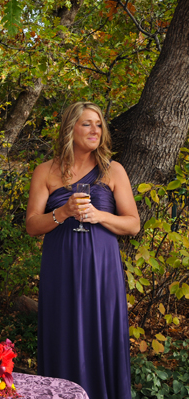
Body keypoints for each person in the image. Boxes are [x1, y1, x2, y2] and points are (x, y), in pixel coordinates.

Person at [26, 102, 140, 399]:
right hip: (60, 267)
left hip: (102, 269)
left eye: (99, 124)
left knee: (102, 334)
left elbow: (133, 224)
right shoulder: (45, 171)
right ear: (70, 129)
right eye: (87, 124)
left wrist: (100, 216)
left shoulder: (113, 170)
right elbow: (32, 225)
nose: (95, 130)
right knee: (64, 333)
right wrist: (62, 212)